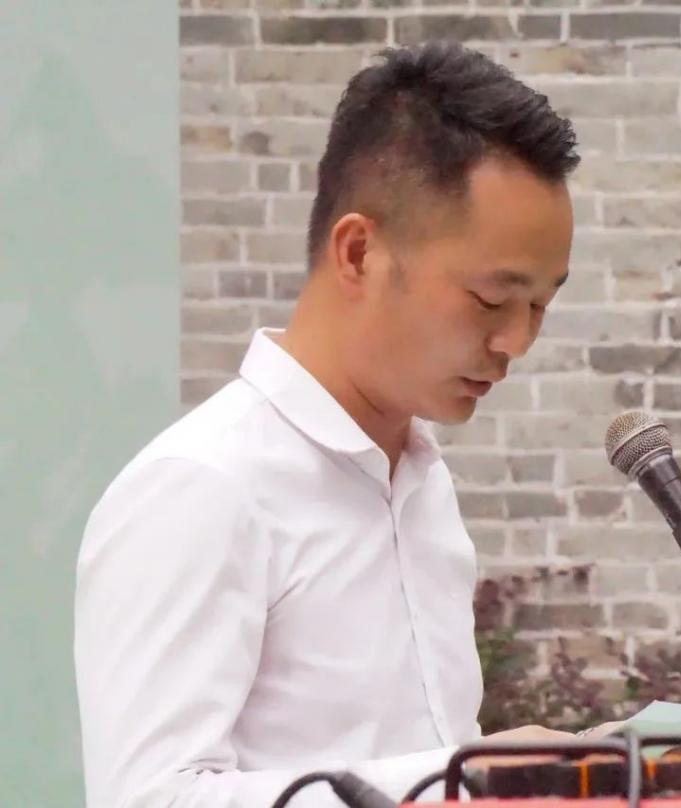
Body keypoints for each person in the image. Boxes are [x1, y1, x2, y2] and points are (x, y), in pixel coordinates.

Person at [75, 41, 593, 807]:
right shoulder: (201, 488)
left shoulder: (422, 484)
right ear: (358, 252)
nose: (517, 341)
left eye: (541, 305)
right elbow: (148, 800)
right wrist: (465, 778)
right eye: (491, 299)